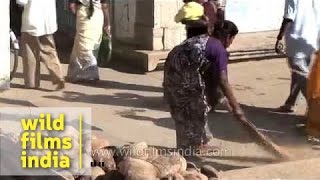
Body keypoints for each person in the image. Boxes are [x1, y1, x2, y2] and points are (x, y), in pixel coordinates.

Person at [163, 20, 249, 154]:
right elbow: (223, 79)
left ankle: (197, 144)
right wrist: (237, 108)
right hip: (182, 76)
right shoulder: (219, 49)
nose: (231, 43)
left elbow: (210, 75)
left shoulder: (204, 40)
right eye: (232, 39)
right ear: (228, 37)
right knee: (193, 109)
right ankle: (188, 149)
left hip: (171, 70)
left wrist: (216, 96)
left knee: (192, 108)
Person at [275, 0, 320, 113]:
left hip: (296, 40)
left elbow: (288, 18)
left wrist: (279, 38)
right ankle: (290, 103)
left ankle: (315, 108)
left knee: (301, 75)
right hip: (311, 39)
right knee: (297, 74)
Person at [17, 0, 65, 90]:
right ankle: (58, 76)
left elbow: (21, 2)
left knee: (30, 53)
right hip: (48, 22)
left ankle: (31, 82)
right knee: (49, 51)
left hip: (31, 21)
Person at [66, 0, 111, 83]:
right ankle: (81, 73)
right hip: (97, 15)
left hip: (84, 14)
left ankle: (89, 71)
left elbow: (72, 5)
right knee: (86, 43)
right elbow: (104, 5)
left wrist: (77, 14)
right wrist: (107, 22)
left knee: (83, 43)